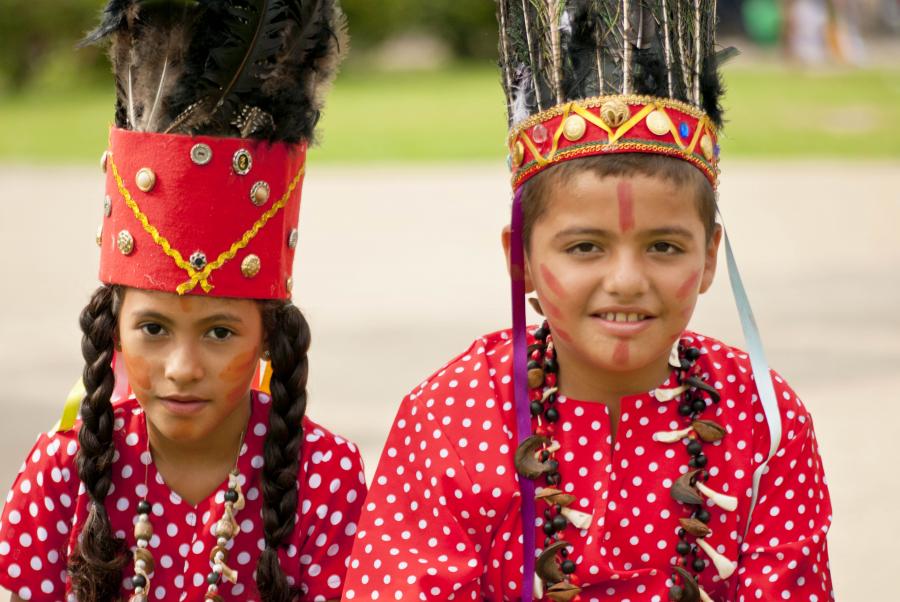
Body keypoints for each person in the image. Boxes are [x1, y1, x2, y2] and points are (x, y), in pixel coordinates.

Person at [342, 1, 833, 600]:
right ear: (519, 260)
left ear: (708, 258)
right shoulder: (452, 417)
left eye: (663, 246)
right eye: (584, 247)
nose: (626, 280)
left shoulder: (762, 421)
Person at [0, 2, 364, 601]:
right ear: (113, 329)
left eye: (220, 331)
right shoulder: (60, 475)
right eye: (153, 328)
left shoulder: (325, 478)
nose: (183, 368)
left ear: (268, 335)